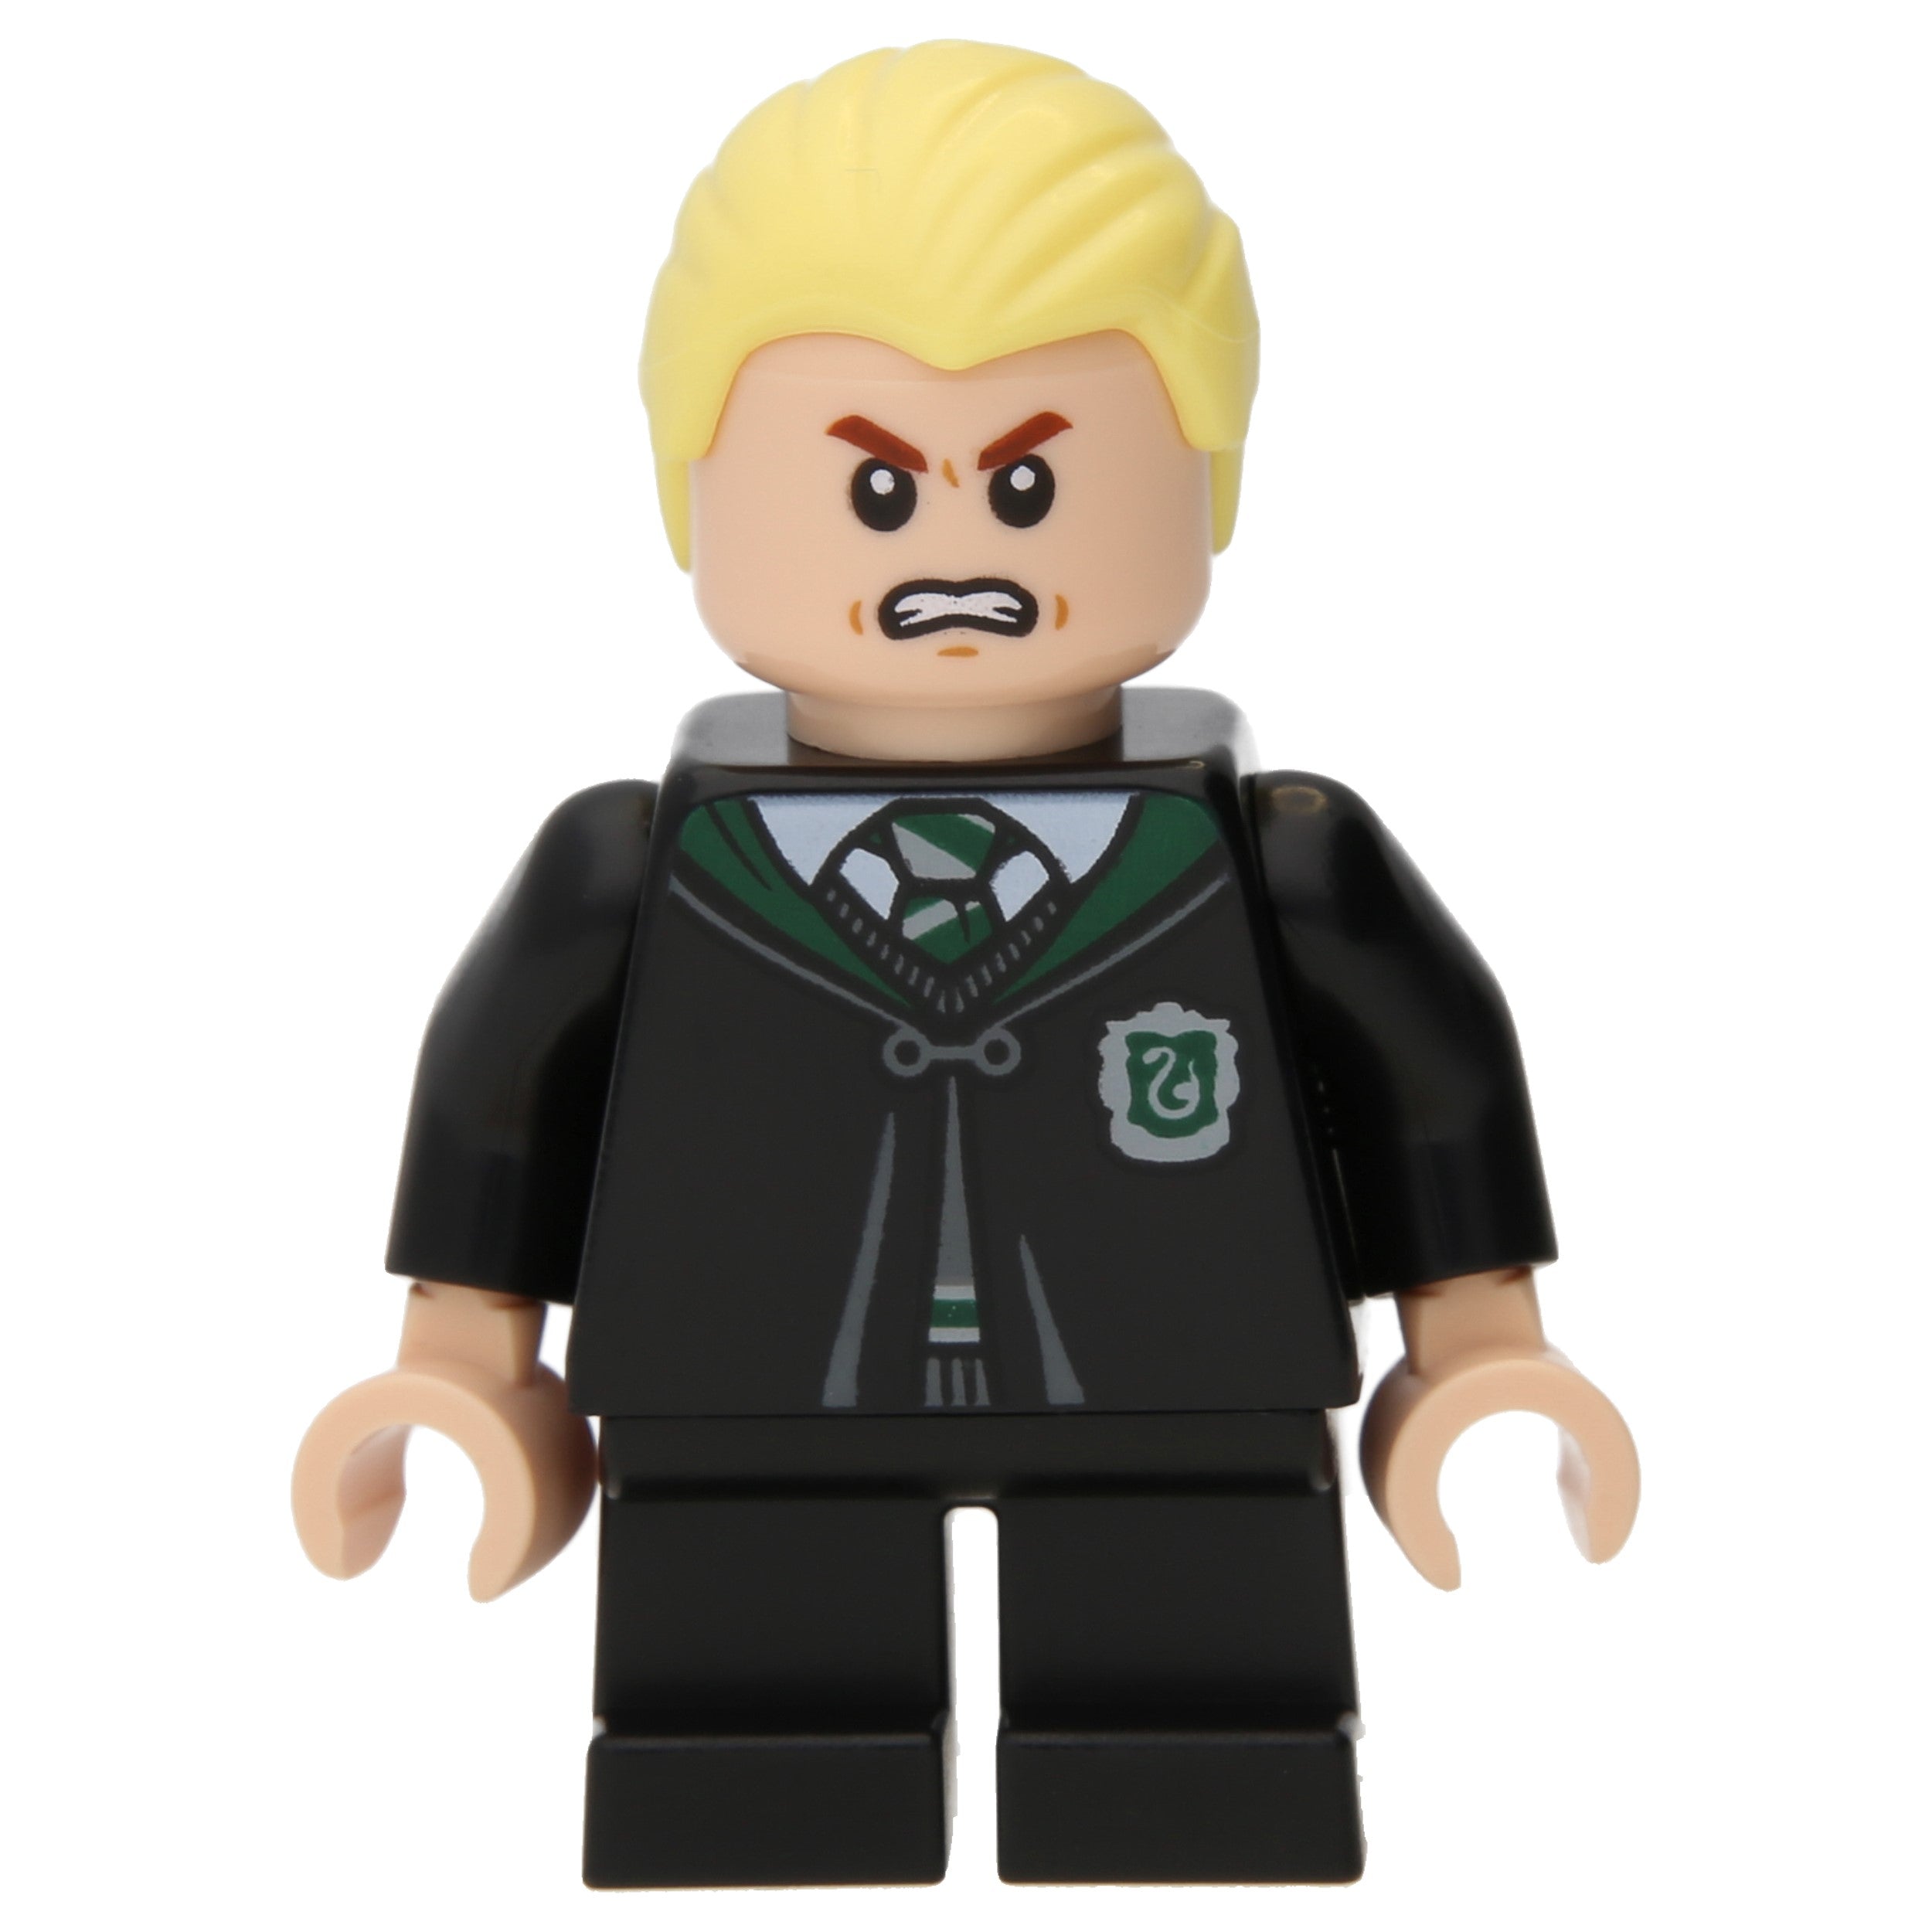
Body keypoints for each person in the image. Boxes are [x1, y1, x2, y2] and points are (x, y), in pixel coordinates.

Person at [294, 41, 1638, 1889]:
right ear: (693, 491)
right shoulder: (631, 865)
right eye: (871, 491)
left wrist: (1475, 1350)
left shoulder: (1274, 853)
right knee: (748, 1723)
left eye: (1027, 488)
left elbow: (1430, 1063)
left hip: (1177, 1372)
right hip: (748, 1384)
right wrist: (463, 1367)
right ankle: (762, 1779)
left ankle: (1190, 1773)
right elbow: (498, 1085)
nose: (953, 561)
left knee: (1196, 1717)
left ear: (1202, 480)